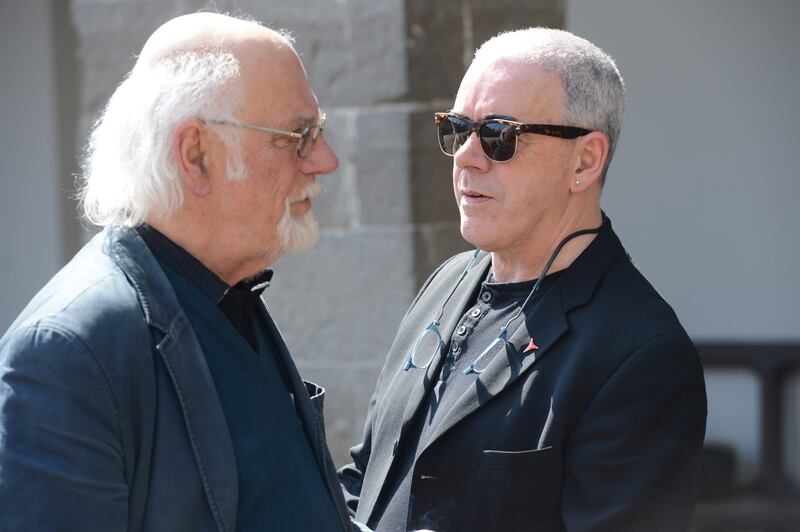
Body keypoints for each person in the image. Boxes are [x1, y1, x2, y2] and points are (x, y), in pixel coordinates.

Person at [339, 27, 707, 532]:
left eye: (498, 135)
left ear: (585, 161)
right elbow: (370, 477)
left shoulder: (640, 355)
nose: (466, 156)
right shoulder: (447, 281)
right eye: (456, 129)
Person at [0, 12, 353, 532]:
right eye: (297, 135)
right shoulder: (69, 350)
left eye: (317, 132)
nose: (325, 159)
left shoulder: (226, 292)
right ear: (195, 154)